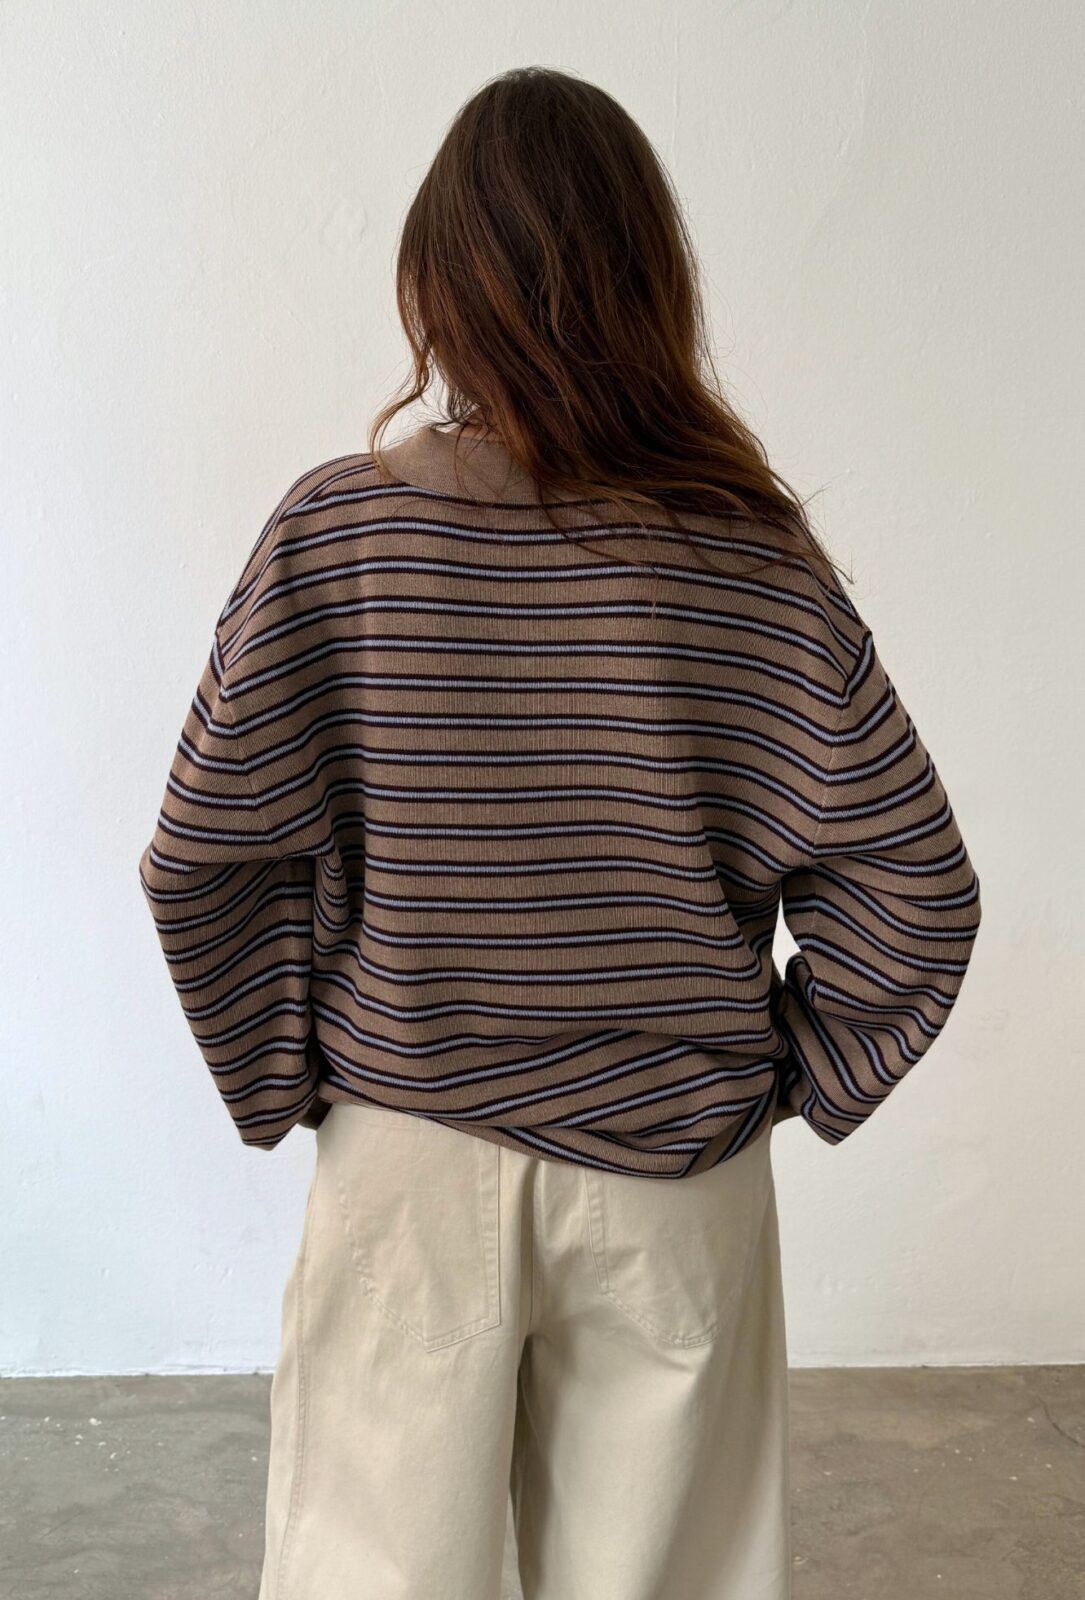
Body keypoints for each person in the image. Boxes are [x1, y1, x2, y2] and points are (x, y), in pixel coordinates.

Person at [139, 66, 981, 1600]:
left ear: (432, 285)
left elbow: (209, 852)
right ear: (651, 286)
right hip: (674, 1163)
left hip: (406, 1149)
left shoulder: (340, 535)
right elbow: (909, 881)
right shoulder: (750, 554)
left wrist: (291, 1076)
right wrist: (788, 1071)